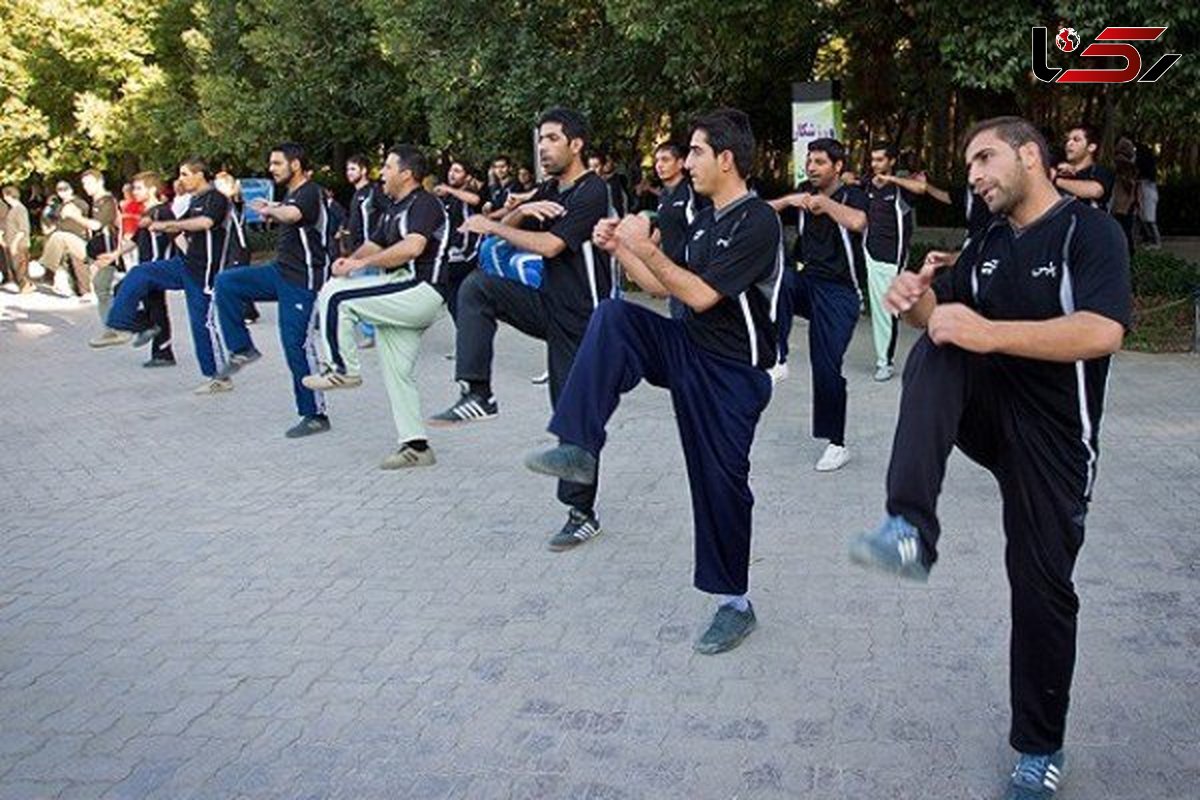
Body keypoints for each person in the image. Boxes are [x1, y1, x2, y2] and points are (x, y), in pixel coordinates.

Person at [847, 116, 1130, 800]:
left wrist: (986, 331)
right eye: (969, 164)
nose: (972, 174)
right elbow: (950, 317)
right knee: (938, 348)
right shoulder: (990, 240)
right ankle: (910, 528)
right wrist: (917, 303)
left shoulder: (1089, 232)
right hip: (992, 413)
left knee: (1041, 592)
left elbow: (1103, 330)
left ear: (1029, 155)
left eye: (984, 158)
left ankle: (1039, 748)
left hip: (1057, 442)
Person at [525, 108, 783, 654]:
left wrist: (643, 247)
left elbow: (701, 295)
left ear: (727, 159)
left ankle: (734, 604)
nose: (685, 162)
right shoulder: (705, 217)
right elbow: (661, 288)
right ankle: (577, 444)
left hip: (733, 376)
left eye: (694, 152)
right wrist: (620, 247)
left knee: (720, 487)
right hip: (688, 348)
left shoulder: (757, 221)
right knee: (614, 318)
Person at [429, 107, 615, 550]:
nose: (543, 147)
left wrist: (493, 223)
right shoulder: (550, 188)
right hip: (549, 305)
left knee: (572, 414)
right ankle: (478, 393)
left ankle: (581, 514)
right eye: (540, 140)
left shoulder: (593, 192)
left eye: (552, 139)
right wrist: (520, 209)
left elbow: (551, 245)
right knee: (476, 288)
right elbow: (504, 234)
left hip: (586, 320)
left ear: (576, 144)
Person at [302, 145, 449, 467]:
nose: (381, 172)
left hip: (421, 290)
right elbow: (375, 243)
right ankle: (416, 447)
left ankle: (342, 369)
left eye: (387, 167)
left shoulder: (425, 203)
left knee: (336, 295)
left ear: (406, 174)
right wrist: (349, 260)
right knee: (397, 373)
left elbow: (413, 247)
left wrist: (357, 267)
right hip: (401, 288)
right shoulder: (395, 207)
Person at [212, 143, 332, 438]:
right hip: (279, 272)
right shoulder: (292, 194)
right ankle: (242, 348)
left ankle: (315, 414)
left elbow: (293, 215)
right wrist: (273, 210)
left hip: (302, 280)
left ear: (295, 165)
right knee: (226, 282)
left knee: (296, 344)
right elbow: (288, 211)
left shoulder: (310, 191)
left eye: (277, 163)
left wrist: (273, 211)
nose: (271, 168)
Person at [769, 137, 868, 472]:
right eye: (809, 162)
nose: (811, 168)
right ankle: (777, 357)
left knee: (826, 368)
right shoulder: (801, 191)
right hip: (809, 283)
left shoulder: (853, 194)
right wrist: (789, 200)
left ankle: (837, 444)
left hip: (841, 294)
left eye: (820, 162)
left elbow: (859, 222)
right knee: (779, 277)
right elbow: (762, 212)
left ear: (838, 167)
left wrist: (824, 205)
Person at [105, 157, 230, 393]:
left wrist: (162, 225)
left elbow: (205, 222)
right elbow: (178, 228)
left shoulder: (216, 198)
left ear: (200, 175)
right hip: (184, 264)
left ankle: (220, 378)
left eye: (184, 174)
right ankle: (123, 323)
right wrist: (153, 224)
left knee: (202, 323)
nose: (179, 179)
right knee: (140, 273)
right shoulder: (195, 201)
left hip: (204, 271)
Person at [86, 172, 177, 365]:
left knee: (125, 291)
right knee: (155, 307)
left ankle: (148, 331)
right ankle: (162, 351)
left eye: (139, 188)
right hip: (146, 267)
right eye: (134, 188)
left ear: (152, 189)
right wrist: (113, 255)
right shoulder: (146, 213)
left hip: (157, 268)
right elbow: (135, 240)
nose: (134, 192)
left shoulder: (162, 211)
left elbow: (176, 236)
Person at [860, 142, 916, 381]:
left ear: (891, 162)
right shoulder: (868, 186)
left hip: (891, 258)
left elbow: (921, 188)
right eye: (873, 160)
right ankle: (883, 359)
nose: (875, 165)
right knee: (878, 310)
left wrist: (894, 180)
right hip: (869, 253)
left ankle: (886, 362)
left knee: (887, 310)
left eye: (880, 160)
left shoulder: (902, 190)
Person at [652, 140, 710, 319]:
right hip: (673, 274)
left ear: (680, 163)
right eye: (657, 161)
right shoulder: (663, 196)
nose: (659, 165)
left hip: (694, 274)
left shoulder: (693, 190)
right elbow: (661, 229)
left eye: (665, 160)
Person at [433, 159, 482, 319]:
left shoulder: (468, 194)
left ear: (467, 177)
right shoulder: (447, 198)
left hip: (466, 253)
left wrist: (448, 189)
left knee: (458, 300)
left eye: (457, 171)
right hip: (451, 253)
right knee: (455, 303)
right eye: (451, 170)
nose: (451, 174)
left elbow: (475, 200)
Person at [39, 181, 91, 296]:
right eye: (59, 190)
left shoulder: (79, 203)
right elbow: (57, 220)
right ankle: (78, 290)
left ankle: (85, 291)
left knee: (79, 265)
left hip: (76, 236)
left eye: (65, 189)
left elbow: (84, 213)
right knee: (68, 265)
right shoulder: (60, 206)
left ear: (71, 190)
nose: (62, 192)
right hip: (63, 237)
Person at [1054, 126, 1113, 210]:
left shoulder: (1100, 171)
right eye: (1067, 140)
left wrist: (1056, 180)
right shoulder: (1058, 170)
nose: (1069, 144)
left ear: (1091, 147)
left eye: (1076, 140)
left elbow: (1095, 191)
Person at [1, 186, 34, 293]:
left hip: (20, 243)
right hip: (11, 242)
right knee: (15, 265)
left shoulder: (20, 209)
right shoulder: (13, 209)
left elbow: (23, 229)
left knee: (20, 265)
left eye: (5, 195)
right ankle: (24, 285)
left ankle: (26, 286)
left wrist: (15, 243)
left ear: (9, 195)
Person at [1134, 140, 1161, 247]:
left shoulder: (1145, 178)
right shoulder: (1149, 173)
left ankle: (1156, 241)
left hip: (1147, 193)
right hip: (1148, 191)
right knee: (1144, 218)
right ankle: (1149, 239)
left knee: (1149, 219)